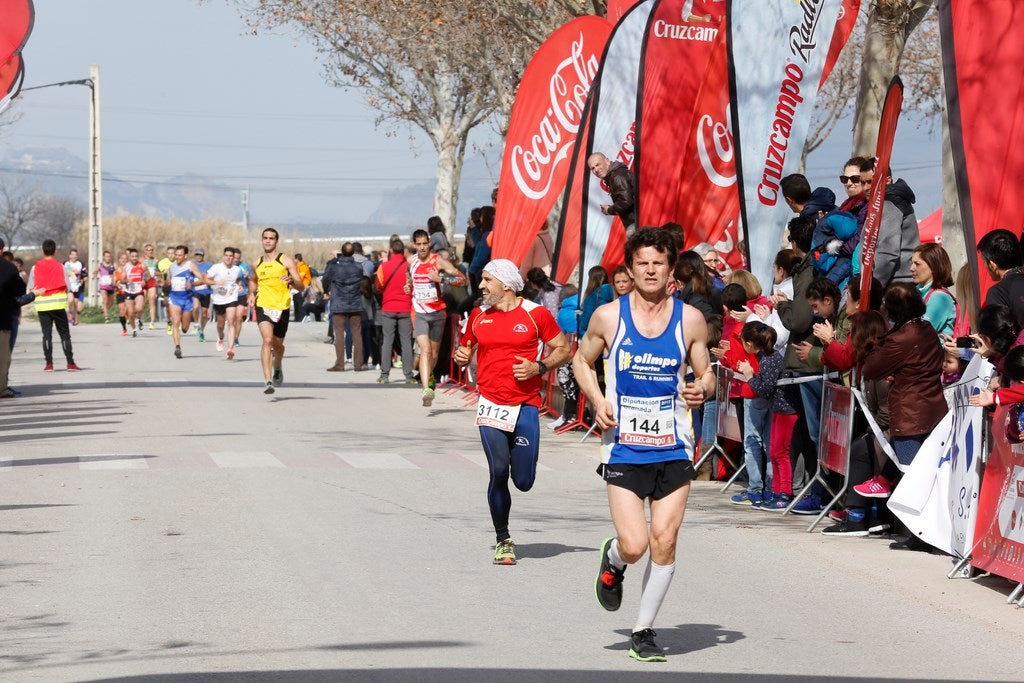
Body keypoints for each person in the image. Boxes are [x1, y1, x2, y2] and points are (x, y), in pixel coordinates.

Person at [573, 227, 714, 663]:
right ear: (630, 269)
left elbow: (706, 372)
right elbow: (582, 359)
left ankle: (643, 631)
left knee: (664, 540)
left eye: (658, 263)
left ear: (672, 269)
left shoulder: (689, 319)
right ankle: (614, 559)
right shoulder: (609, 318)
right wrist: (597, 399)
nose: (650, 270)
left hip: (673, 446)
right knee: (635, 545)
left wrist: (702, 389)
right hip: (624, 448)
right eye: (642, 263)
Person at [453, 259, 571, 566]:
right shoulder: (479, 315)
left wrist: (539, 366)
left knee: (523, 480)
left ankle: (509, 515)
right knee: (498, 471)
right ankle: (503, 538)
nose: (481, 286)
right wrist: (462, 355)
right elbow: (464, 349)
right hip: (491, 402)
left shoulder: (536, 314)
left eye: (487, 280)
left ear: (506, 284)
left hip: (525, 405)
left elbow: (563, 348)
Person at [736, 321, 798, 510]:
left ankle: (783, 494)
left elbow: (765, 390)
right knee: (774, 451)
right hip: (779, 409)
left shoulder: (769, 359)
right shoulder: (767, 358)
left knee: (780, 453)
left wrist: (749, 376)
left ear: (749, 344)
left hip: (786, 410)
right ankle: (776, 491)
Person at [408, 228, 466, 406]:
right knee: (424, 349)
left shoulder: (438, 261)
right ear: (414, 245)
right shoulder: (411, 261)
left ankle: (429, 379)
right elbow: (410, 279)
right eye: (419, 244)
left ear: (429, 244)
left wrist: (441, 279)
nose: (423, 247)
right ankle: (427, 390)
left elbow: (463, 279)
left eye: (425, 244)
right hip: (419, 312)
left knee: (433, 353)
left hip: (438, 313)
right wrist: (408, 285)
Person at [247, 228, 304, 394]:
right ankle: (268, 380)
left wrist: (292, 281)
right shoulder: (257, 263)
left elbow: (301, 286)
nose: (268, 241)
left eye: (271, 238)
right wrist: (251, 293)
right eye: (265, 238)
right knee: (267, 340)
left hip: (282, 306)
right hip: (263, 304)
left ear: (276, 241)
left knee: (278, 345)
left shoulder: (285, 261)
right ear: (262, 240)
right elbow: (253, 280)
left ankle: (277, 364)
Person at [29, 239, 80, 371]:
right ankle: (70, 363)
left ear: (42, 250)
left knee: (47, 335)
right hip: (58, 305)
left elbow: (30, 289)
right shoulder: (61, 266)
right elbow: (68, 287)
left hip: (42, 306)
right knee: (64, 335)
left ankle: (49, 364)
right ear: (55, 251)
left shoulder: (35, 268)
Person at [322, 242, 368, 372]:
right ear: (353, 253)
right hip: (355, 303)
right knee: (357, 334)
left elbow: (325, 279)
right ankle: (358, 364)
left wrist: (326, 290)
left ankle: (340, 364)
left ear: (342, 252)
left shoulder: (334, 267)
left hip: (339, 302)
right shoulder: (358, 267)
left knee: (339, 334)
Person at [376, 237, 415, 384]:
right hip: (405, 308)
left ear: (391, 250)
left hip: (388, 307)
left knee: (387, 341)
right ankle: (408, 375)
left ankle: (384, 375)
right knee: (406, 341)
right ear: (404, 251)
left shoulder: (383, 267)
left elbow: (378, 286)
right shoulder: (410, 266)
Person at [166, 245, 208, 359]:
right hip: (174, 298)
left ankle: (185, 329)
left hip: (187, 300)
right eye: (176, 255)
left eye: (180, 255)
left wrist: (192, 284)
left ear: (185, 256)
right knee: (175, 322)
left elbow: (202, 280)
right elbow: (168, 282)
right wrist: (164, 282)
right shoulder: (172, 267)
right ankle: (177, 347)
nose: (177, 257)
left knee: (184, 328)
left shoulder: (191, 266)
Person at [977, 229, 1024, 326]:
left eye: (984, 262)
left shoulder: (998, 292)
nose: (985, 266)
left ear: (992, 265)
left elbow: (1001, 335)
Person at [910, 243, 958, 337]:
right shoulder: (917, 292)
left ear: (933, 267)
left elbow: (921, 333)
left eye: (917, 264)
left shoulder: (939, 297)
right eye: (912, 263)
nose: (911, 268)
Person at [207, 246, 245, 359]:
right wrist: (215, 282)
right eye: (226, 256)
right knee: (220, 325)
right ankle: (220, 337)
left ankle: (231, 348)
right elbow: (205, 279)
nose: (228, 258)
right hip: (219, 300)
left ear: (234, 258)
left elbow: (237, 279)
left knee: (231, 322)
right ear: (223, 256)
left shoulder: (237, 269)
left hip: (231, 298)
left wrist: (240, 285)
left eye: (231, 256)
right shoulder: (216, 267)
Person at [587, 152, 636, 235]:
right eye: (593, 168)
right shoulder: (614, 175)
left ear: (607, 161)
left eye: (598, 164)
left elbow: (626, 201)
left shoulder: (617, 177)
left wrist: (609, 210)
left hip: (636, 223)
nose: (596, 170)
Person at [122, 248, 148, 337]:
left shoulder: (142, 266)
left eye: (136, 256)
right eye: (132, 256)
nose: (134, 258)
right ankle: (134, 329)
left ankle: (139, 319)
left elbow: (148, 275)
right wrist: (126, 280)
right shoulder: (126, 266)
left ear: (138, 257)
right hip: (128, 291)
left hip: (138, 291)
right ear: (129, 257)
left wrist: (144, 281)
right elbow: (122, 279)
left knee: (139, 308)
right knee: (130, 312)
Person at [191, 247, 213, 341]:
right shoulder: (191, 265)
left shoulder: (209, 265)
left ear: (203, 256)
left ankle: (201, 331)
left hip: (206, 291)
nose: (198, 256)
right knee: (195, 307)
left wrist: (206, 278)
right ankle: (196, 324)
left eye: (200, 255)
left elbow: (211, 277)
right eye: (197, 255)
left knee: (205, 315)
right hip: (195, 290)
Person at [142, 243, 160, 329]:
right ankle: (139, 318)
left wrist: (161, 275)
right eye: (148, 250)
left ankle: (152, 322)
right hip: (143, 282)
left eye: (151, 250)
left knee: (152, 300)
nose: (150, 252)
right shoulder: (141, 260)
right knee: (142, 302)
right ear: (145, 251)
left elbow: (156, 271)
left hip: (152, 281)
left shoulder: (155, 260)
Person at [94, 250, 116, 323]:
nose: (108, 258)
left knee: (111, 302)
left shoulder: (113, 265)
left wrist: (114, 278)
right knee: (105, 299)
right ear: (103, 257)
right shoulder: (100, 265)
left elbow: (117, 272)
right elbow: (95, 271)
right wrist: (94, 275)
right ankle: (106, 317)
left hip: (111, 285)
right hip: (103, 285)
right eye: (106, 256)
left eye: (109, 256)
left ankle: (105, 310)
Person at [292, 253, 313, 322]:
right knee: (296, 302)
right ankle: (297, 318)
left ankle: (302, 317)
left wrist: (292, 281)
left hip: (303, 287)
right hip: (297, 288)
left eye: (294, 259)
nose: (293, 260)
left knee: (300, 303)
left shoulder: (303, 267)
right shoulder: (297, 266)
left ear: (297, 259)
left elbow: (300, 278)